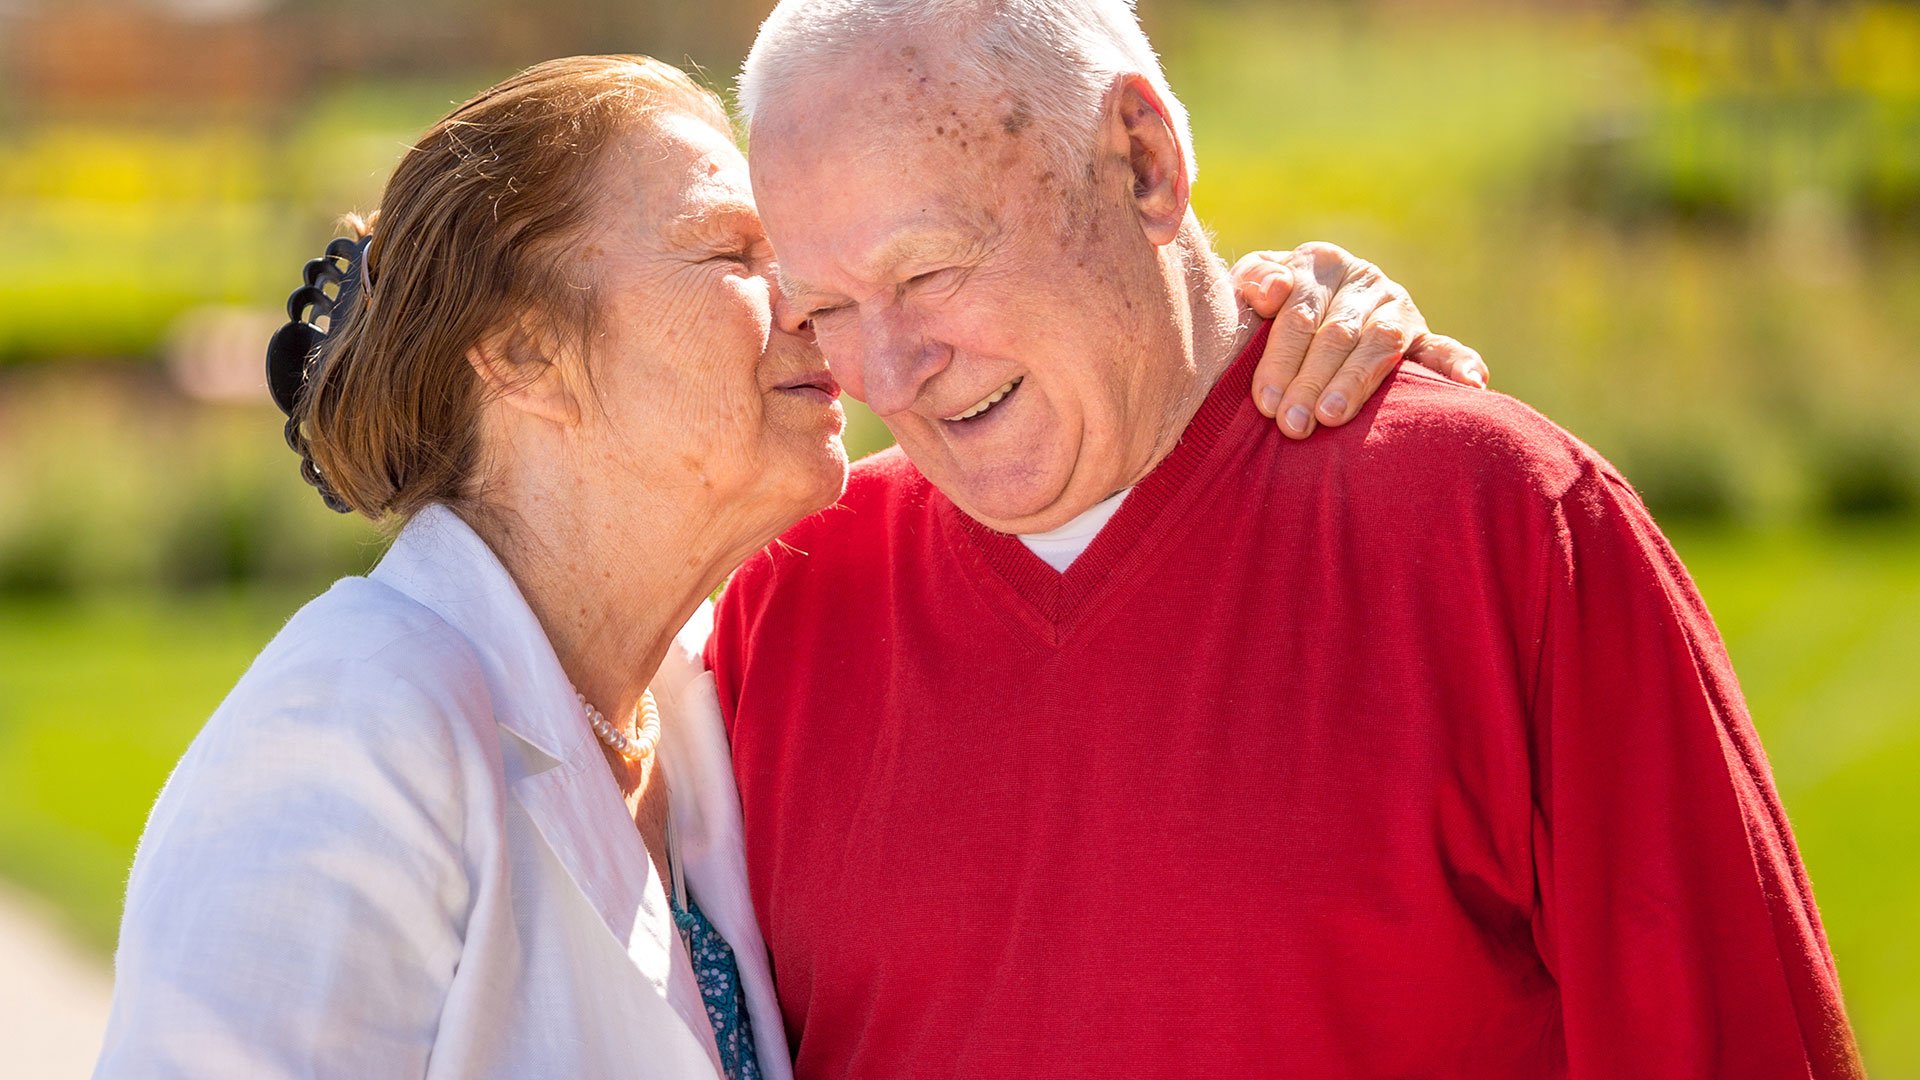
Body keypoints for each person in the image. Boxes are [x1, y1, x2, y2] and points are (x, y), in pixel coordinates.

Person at [92, 53, 1472, 1080]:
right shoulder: (352, 730)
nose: (817, 302)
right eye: (737, 251)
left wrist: (1242, 330)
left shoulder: (710, 700)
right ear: (521, 355)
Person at [702, 2, 1867, 1078]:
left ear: (1144, 165)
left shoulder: (1506, 525)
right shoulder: (786, 600)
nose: (889, 374)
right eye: (826, 310)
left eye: (930, 268)